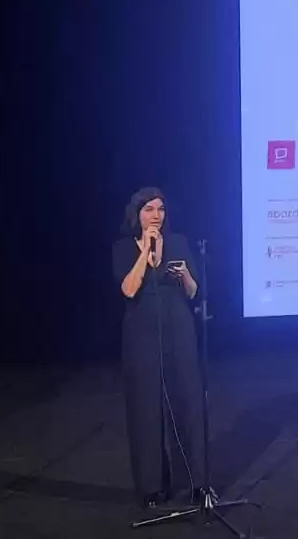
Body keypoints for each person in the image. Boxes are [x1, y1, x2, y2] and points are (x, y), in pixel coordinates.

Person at [113, 186, 208, 508]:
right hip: (140, 333)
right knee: (146, 407)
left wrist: (184, 275)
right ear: (137, 214)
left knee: (188, 401)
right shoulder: (123, 247)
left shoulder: (178, 242)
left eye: (161, 209)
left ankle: (196, 482)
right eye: (149, 209)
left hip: (179, 327)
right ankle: (152, 487)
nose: (156, 215)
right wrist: (146, 253)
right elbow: (128, 290)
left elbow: (194, 292)